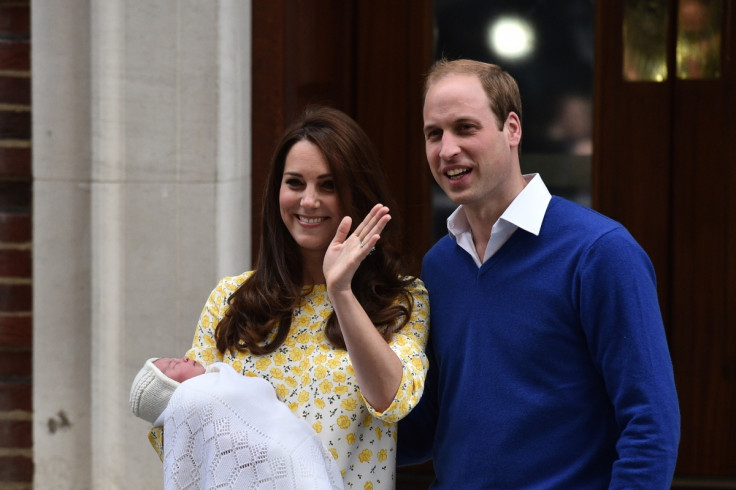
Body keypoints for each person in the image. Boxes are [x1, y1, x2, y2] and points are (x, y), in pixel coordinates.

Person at [397, 58, 680, 488]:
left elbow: (651, 424)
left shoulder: (600, 253)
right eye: (433, 134)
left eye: (465, 128)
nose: (447, 149)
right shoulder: (439, 266)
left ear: (512, 128)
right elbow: (426, 429)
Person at [167, 106, 430, 488]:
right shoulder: (230, 298)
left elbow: (394, 400)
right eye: (295, 183)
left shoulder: (401, 299)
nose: (308, 201)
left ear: (355, 194)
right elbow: (184, 427)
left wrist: (340, 291)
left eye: (328, 185)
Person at [130, 356, 344, 489]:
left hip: (292, 449)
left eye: (176, 358)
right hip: (277, 459)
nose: (184, 359)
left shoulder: (218, 382)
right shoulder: (192, 397)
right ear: (167, 389)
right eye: (172, 365)